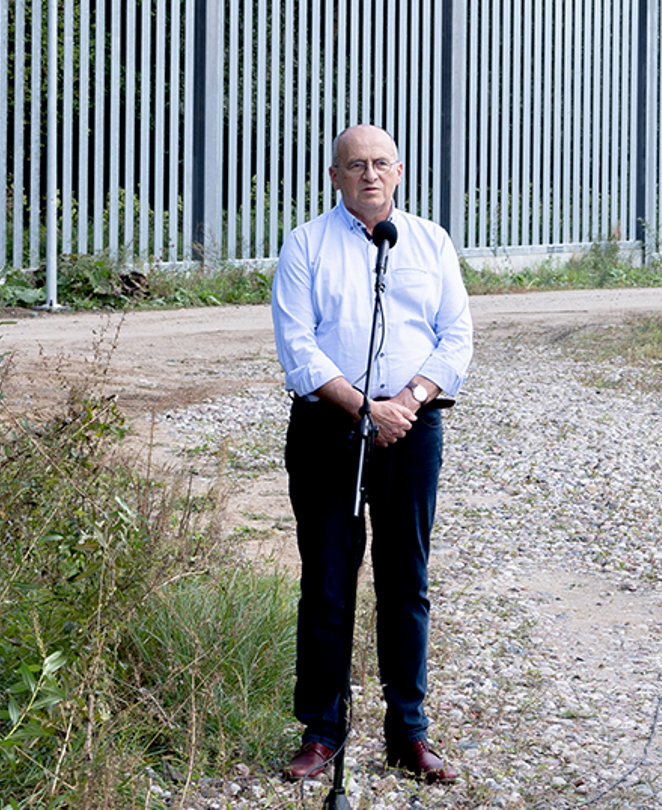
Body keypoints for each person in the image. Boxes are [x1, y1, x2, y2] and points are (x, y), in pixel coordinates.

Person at [273, 125, 473, 784]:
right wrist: (363, 406)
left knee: (405, 579)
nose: (368, 175)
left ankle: (407, 733)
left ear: (399, 171)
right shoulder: (306, 245)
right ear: (335, 176)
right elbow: (298, 346)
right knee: (328, 578)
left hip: (411, 429)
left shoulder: (429, 242)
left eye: (380, 163)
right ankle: (323, 730)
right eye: (355, 165)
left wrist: (407, 400)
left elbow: (456, 337)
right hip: (329, 429)